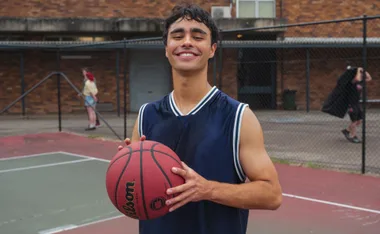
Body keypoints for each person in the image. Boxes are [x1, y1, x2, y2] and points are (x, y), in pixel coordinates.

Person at [117, 3, 282, 234]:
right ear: (166, 48)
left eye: (197, 36)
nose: (187, 42)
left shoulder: (238, 116)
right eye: (177, 35)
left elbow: (272, 194)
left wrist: (207, 190)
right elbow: (139, 199)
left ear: (212, 49)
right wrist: (128, 171)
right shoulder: (146, 115)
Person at [322, 66, 372, 143]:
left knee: (359, 121)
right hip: (351, 104)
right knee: (354, 121)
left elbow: (369, 78)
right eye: (360, 74)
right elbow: (357, 78)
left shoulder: (362, 82)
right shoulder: (352, 82)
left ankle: (347, 131)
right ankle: (353, 136)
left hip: (356, 104)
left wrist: (364, 70)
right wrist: (358, 70)